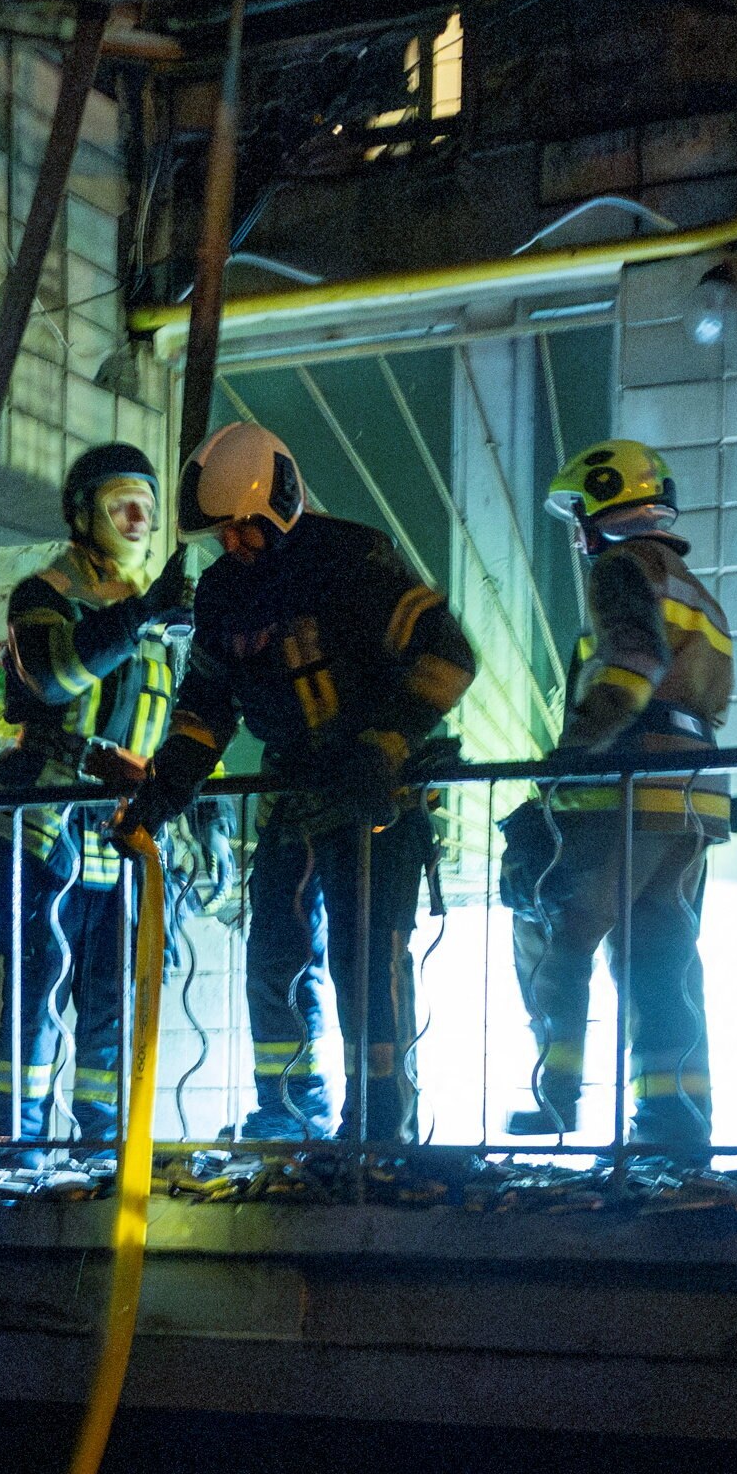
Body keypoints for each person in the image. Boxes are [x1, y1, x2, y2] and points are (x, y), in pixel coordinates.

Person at [113, 422, 479, 1144]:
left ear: (281, 501)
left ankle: (379, 1127)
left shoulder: (353, 559)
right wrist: (164, 786)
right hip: (293, 801)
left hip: (373, 800)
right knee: (274, 960)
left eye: (246, 528)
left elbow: (448, 654)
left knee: (366, 962)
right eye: (223, 532)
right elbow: (206, 706)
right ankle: (286, 1114)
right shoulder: (220, 595)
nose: (234, 544)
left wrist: (384, 745)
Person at [503, 436, 737, 1164]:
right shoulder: (694, 586)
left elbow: (633, 663)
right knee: (661, 951)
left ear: (602, 504)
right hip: (695, 795)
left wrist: (570, 757)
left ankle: (555, 1095)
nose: (577, 530)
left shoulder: (620, 567)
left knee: (565, 929)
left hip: (632, 785)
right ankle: (673, 1124)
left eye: (579, 510)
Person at [0, 442, 189, 1144]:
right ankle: (18, 1144)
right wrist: (140, 618)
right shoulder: (42, 594)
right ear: (82, 514)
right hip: (48, 824)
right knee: (34, 993)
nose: (137, 518)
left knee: (111, 1003)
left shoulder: (165, 620)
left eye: (147, 506)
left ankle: (102, 1148)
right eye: (119, 503)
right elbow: (53, 674)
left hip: (125, 834)